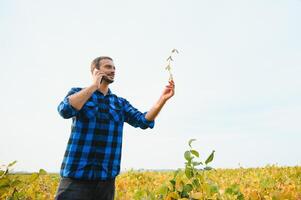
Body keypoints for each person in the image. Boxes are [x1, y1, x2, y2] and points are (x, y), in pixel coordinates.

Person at [54, 56, 175, 200]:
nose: (113, 70)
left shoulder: (119, 103)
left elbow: (143, 121)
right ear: (96, 71)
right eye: (108, 67)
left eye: (114, 68)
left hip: (106, 182)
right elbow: (65, 111)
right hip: (75, 179)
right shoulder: (78, 93)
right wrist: (94, 86)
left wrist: (163, 99)